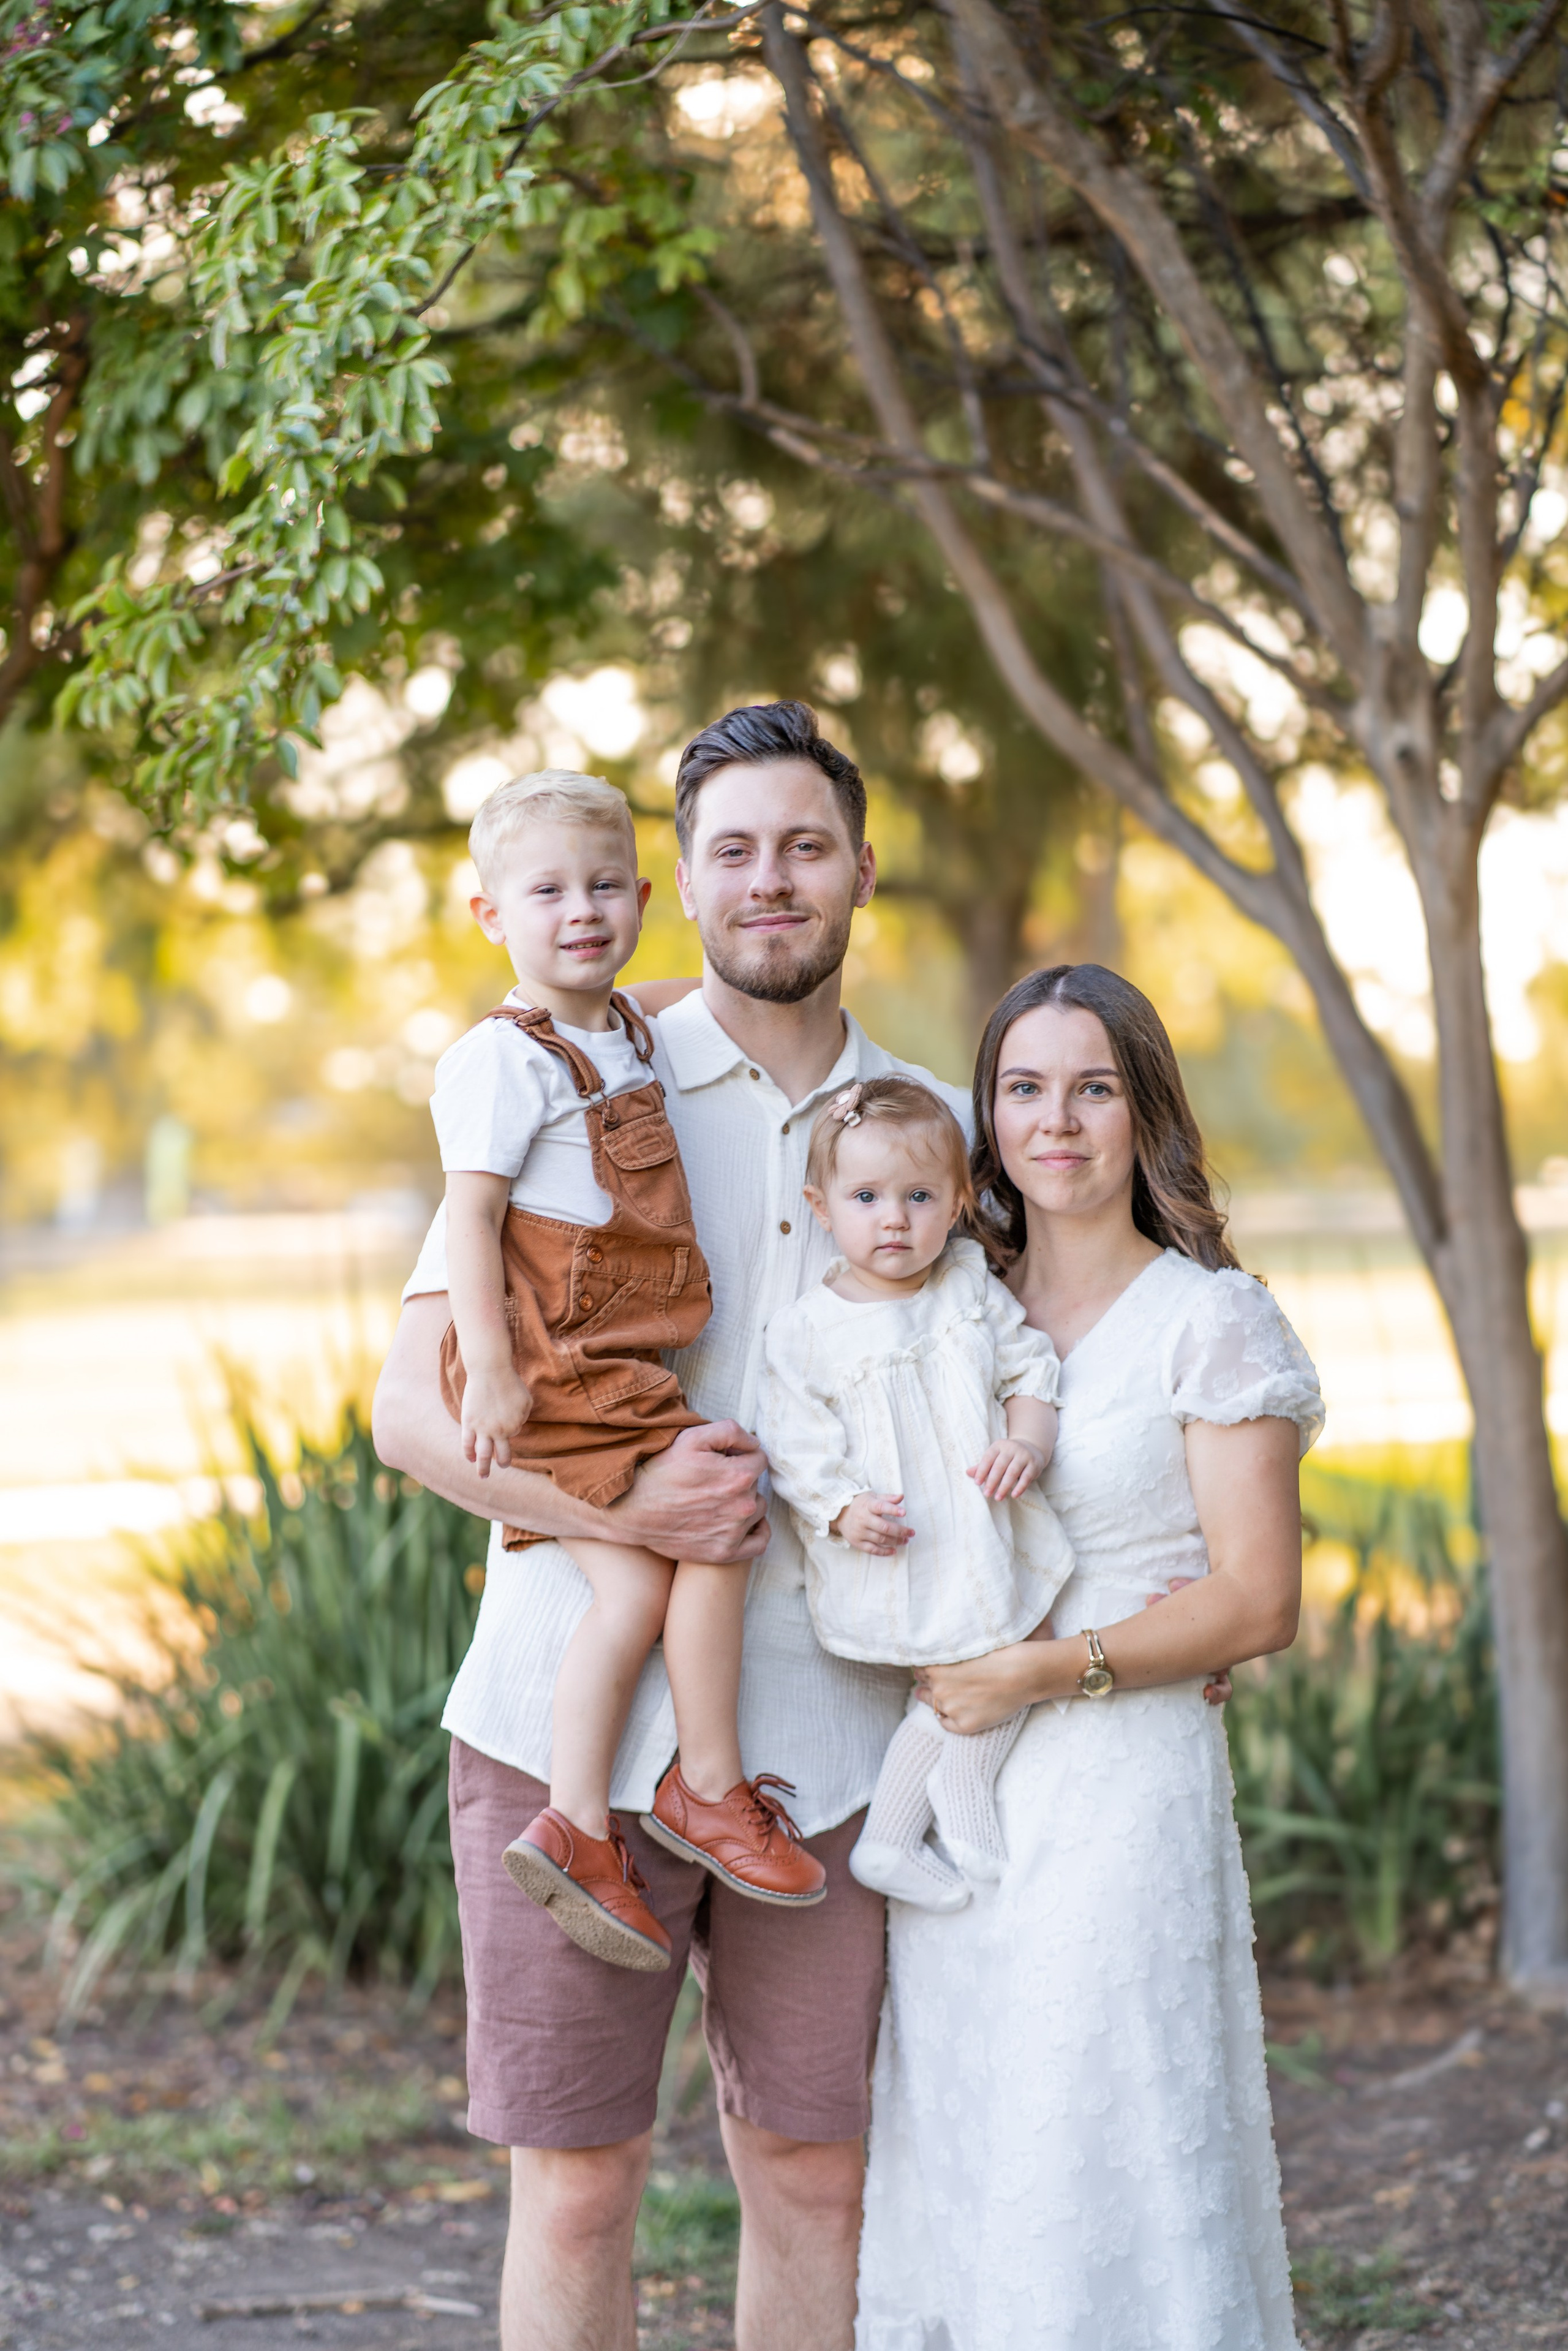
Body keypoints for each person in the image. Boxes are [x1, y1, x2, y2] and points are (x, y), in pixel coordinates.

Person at [371, 700, 970, 2351]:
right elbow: (410, 1412)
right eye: (734, 851)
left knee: (810, 2166)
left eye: (806, 845)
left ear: (860, 869)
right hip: (567, 1709)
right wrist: (620, 1495)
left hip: (835, 1746)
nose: (771, 879)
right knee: (576, 2180)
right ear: (679, 888)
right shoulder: (572, 1072)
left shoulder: (931, 1126)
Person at [854, 962, 1324, 2351]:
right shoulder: (946, 1298)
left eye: (1092, 1087)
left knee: (1100, 2131)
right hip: (954, 1794)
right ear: (984, 1113)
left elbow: (1255, 1600)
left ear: (1143, 1109)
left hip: (1120, 1786)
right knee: (972, 2134)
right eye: (1021, 1087)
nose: (1054, 1121)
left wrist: (1040, 1671)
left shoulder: (1208, 1320)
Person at [433, 767, 825, 1973]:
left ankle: (581, 1821)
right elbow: (470, 1220)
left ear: (646, 894)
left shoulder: (625, 1029)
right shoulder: (501, 1059)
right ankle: (696, 1790)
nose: (580, 910)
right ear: (489, 913)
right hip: (566, 1367)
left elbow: (664, 1004)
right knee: (715, 1512)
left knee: (641, 1589)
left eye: (604, 885)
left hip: (616, 1362)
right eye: (545, 890)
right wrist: (492, 1373)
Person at [756, 1075, 1076, 1909]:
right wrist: (839, 1507)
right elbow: (793, 1442)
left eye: (919, 1195)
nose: (893, 1217)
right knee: (968, 1672)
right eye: (867, 1196)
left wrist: (1026, 1440)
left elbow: (1030, 1368)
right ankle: (954, 1815)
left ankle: (898, 1835)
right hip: (904, 1551)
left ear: (958, 1203)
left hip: (981, 1527)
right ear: (822, 1207)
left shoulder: (967, 1285)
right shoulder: (806, 1331)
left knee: (1017, 1642)